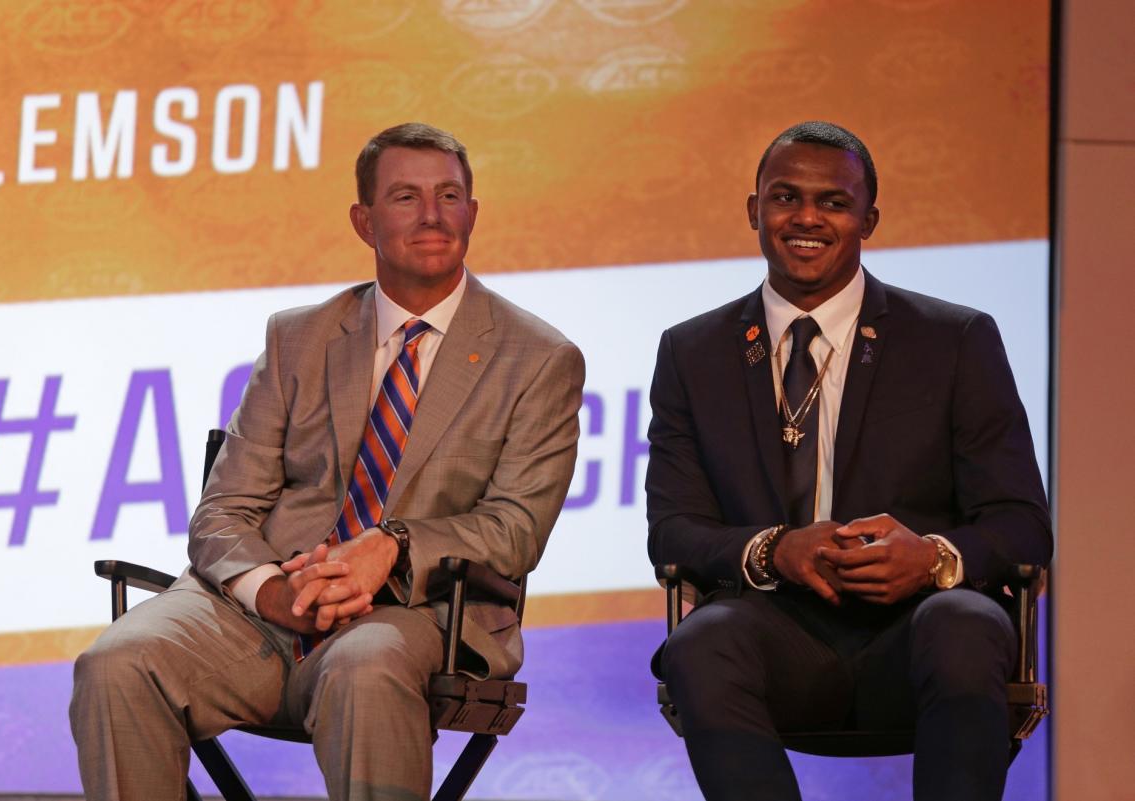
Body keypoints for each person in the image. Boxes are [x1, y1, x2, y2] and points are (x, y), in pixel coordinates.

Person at [70, 122, 586, 801]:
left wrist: (392, 549)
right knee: (116, 662)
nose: (433, 214)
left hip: (417, 610)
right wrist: (271, 591)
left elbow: (516, 527)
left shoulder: (538, 358)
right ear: (363, 221)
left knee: (365, 668)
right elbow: (224, 510)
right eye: (406, 196)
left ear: (473, 213)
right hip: (260, 609)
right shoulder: (299, 338)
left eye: (450, 195)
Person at [646, 121, 1052, 801]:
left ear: (869, 217)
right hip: (774, 633)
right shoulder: (693, 351)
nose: (807, 217)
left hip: (920, 631)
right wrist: (776, 549)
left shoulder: (954, 339)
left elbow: (1023, 527)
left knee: (967, 623)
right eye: (785, 197)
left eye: (833, 202)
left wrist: (930, 558)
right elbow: (674, 529)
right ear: (754, 210)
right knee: (702, 641)